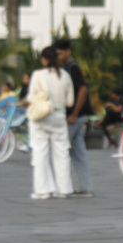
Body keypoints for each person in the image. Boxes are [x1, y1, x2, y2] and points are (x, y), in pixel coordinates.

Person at [26, 46, 75, 199]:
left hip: (41, 116)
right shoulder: (65, 76)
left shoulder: (38, 75)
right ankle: (64, 189)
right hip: (59, 116)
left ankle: (43, 190)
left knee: (40, 152)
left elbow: (30, 98)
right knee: (62, 152)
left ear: (44, 59)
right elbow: (70, 101)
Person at [54, 39, 95, 197]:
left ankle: (62, 187)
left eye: (60, 53)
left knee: (61, 150)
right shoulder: (67, 68)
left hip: (74, 117)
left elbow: (83, 90)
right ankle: (86, 187)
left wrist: (74, 114)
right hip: (77, 116)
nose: (57, 57)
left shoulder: (72, 68)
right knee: (78, 153)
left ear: (68, 52)